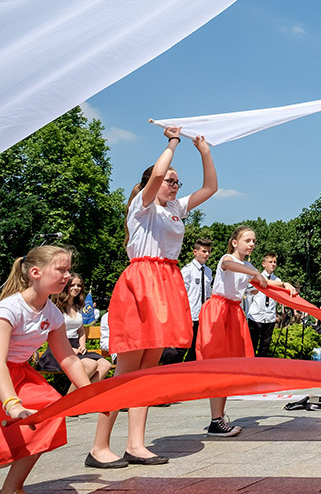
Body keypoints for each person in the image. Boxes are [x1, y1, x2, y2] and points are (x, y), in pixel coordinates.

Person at [88, 126, 217, 468]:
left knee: (148, 372)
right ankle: (99, 446)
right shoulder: (141, 207)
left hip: (166, 284)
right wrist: (172, 142)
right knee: (125, 372)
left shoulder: (175, 207)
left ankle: (136, 444)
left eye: (177, 182)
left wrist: (203, 149)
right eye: (171, 181)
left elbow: (211, 187)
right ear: (154, 183)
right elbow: (158, 172)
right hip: (141, 283)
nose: (175, 185)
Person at [0, 246, 94, 492]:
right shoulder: (9, 309)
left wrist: (92, 395)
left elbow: (69, 359)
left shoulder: (52, 313)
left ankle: (12, 488)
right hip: (3, 374)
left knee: (52, 408)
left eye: (69, 270)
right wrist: (12, 403)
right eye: (61, 269)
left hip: (18, 372)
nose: (67, 275)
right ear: (35, 272)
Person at [197, 226, 296, 437]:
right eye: (248, 240)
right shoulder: (227, 259)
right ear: (235, 242)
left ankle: (218, 419)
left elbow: (265, 282)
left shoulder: (249, 265)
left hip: (233, 312)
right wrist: (254, 273)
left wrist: (285, 284)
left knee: (229, 367)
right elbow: (231, 265)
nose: (252, 244)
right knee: (218, 365)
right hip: (219, 310)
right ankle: (216, 420)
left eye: (254, 241)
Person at [35, 273, 112, 390]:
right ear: (65, 286)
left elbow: (81, 331)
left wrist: (82, 345)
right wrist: (68, 349)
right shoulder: (53, 307)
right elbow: (49, 333)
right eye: (72, 285)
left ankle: (82, 402)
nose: (76, 288)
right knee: (90, 365)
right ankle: (69, 404)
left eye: (79, 285)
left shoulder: (78, 306)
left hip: (76, 347)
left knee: (105, 364)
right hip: (58, 349)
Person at [179, 239, 213, 362]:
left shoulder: (208, 272)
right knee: (181, 348)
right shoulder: (187, 271)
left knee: (196, 348)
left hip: (202, 317)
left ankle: (188, 373)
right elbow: (181, 295)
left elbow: (208, 295)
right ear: (195, 252)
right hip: (189, 316)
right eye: (204, 251)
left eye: (209, 251)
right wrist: (185, 315)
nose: (207, 254)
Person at [246, 252, 280, 357]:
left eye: (274, 262)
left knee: (265, 346)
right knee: (252, 345)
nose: (273, 264)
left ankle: (261, 369)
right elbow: (248, 295)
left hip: (269, 317)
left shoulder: (277, 281)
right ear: (264, 264)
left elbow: (277, 299)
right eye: (270, 262)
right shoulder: (256, 278)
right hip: (256, 316)